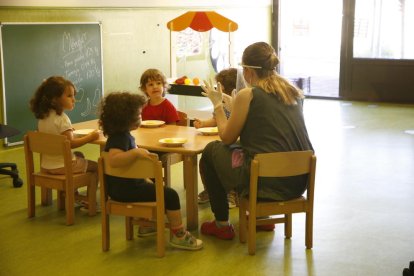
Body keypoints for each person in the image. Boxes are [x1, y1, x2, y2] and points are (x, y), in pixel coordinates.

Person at [199, 42, 314, 240]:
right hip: (298, 180)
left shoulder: (248, 94)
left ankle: (222, 224)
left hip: (263, 183)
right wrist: (236, 106)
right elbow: (269, 132)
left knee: (212, 150)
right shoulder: (294, 93)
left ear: (248, 71)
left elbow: (227, 137)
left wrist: (218, 105)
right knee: (257, 150)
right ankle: (263, 217)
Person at [98, 91, 203, 251]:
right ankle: (178, 234)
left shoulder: (119, 135)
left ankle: (148, 224)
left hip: (121, 187)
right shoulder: (120, 139)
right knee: (170, 195)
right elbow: (113, 159)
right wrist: (136, 152)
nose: (141, 116)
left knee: (155, 185)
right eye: (138, 114)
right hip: (126, 190)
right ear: (126, 118)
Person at [29, 76, 99, 209]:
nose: (74, 99)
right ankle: (90, 201)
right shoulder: (62, 119)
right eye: (69, 96)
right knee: (97, 167)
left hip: (47, 165)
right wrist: (91, 137)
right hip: (63, 166)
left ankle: (72, 194)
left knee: (79, 155)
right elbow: (70, 143)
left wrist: (68, 132)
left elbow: (55, 138)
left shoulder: (43, 117)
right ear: (55, 99)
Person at [193, 68, 239, 208]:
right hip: (220, 139)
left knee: (233, 161)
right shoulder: (220, 102)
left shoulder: (237, 102)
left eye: (218, 86)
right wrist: (203, 123)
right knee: (206, 159)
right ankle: (209, 190)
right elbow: (215, 120)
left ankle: (232, 193)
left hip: (233, 142)